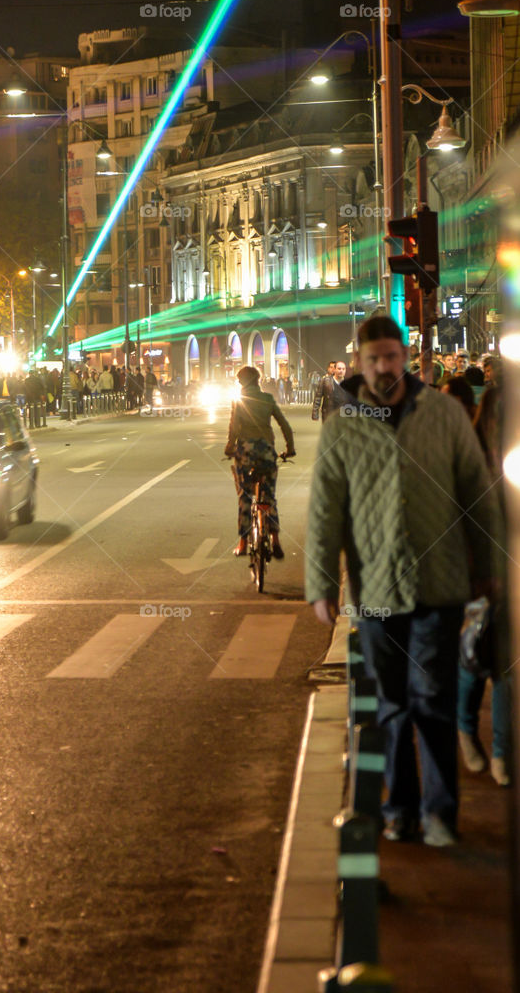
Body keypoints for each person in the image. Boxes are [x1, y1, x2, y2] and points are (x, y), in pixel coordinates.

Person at [305, 315, 501, 847]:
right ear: (360, 362)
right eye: (374, 359)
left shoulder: (442, 413)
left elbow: (476, 492)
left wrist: (489, 569)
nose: (385, 367)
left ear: (406, 355)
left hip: (439, 586)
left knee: (432, 696)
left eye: (392, 356)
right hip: (374, 588)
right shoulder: (344, 426)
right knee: (391, 703)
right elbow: (326, 509)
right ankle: (400, 810)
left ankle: (440, 814)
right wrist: (323, 583)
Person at [457, 379, 511, 787]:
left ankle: (502, 752)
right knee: (475, 658)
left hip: (512, 574)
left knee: (507, 666)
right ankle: (465, 731)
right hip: (478, 575)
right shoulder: (470, 460)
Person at [225, 364, 295, 560]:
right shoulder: (268, 399)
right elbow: (285, 425)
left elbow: (234, 427)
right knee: (269, 496)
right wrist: (290, 449)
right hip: (267, 451)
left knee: (245, 496)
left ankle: (243, 543)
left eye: (239, 381)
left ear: (243, 382)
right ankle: (275, 540)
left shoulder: (239, 401)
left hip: (245, 452)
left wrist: (230, 446)